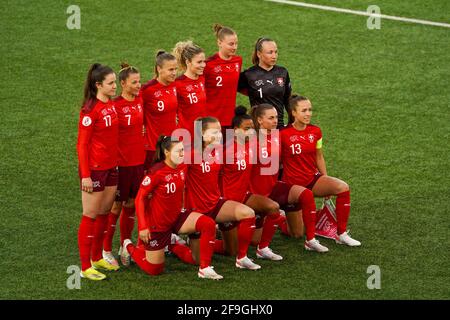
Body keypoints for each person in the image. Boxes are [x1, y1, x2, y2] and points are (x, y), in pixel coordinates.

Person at [121, 136, 223, 280]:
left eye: (183, 150)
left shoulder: (182, 165)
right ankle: (128, 246)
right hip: (158, 224)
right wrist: (143, 227)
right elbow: (139, 199)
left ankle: (204, 268)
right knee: (155, 269)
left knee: (208, 224)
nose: (182, 154)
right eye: (179, 151)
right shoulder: (156, 172)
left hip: (177, 217)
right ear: (167, 152)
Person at [281, 95, 361, 246]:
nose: (308, 114)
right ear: (293, 113)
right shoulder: (283, 134)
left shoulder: (316, 131)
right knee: (297, 233)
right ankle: (281, 220)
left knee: (342, 187)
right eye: (304, 110)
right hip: (293, 187)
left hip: (312, 180)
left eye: (310, 110)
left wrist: (325, 177)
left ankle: (341, 233)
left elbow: (319, 157)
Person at [183, 116, 261, 270]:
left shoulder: (219, 150)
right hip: (196, 210)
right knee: (196, 260)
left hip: (215, 204)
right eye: (214, 131)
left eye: (220, 131)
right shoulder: (190, 154)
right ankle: (174, 246)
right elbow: (179, 182)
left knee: (248, 214)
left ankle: (242, 258)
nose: (219, 135)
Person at [250, 103, 329, 252]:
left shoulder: (277, 136)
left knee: (300, 225)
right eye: (271, 118)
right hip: (256, 192)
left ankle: (310, 240)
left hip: (273, 187)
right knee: (254, 240)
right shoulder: (250, 140)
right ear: (260, 120)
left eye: (276, 117)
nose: (275, 121)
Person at [218, 106, 283, 260]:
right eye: (246, 129)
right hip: (225, 202)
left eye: (252, 128)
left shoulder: (251, 145)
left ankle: (263, 248)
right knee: (231, 251)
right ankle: (201, 240)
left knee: (273, 209)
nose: (251, 132)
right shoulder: (225, 150)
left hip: (244, 196)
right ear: (235, 130)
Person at [76, 63, 120, 281]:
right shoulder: (90, 111)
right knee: (90, 215)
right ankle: (85, 267)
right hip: (94, 170)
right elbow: (82, 146)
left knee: (104, 212)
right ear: (98, 85)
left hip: (111, 167)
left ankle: (97, 257)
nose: (115, 86)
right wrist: (85, 175)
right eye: (111, 83)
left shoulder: (110, 104)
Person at [101, 63, 145, 267]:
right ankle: (105, 249)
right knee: (115, 206)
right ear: (122, 84)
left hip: (138, 162)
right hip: (121, 164)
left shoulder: (140, 99)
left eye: (139, 81)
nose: (138, 85)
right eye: (134, 82)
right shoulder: (115, 105)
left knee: (131, 204)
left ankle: (124, 245)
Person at [238, 37, 292, 128]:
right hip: (259, 128)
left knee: (275, 142)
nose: (274, 56)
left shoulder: (283, 72)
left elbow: (287, 100)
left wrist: (292, 121)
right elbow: (232, 89)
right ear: (259, 54)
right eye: (270, 52)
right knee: (262, 143)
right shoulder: (249, 74)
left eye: (276, 52)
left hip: (278, 126)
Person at [141, 51, 178, 172]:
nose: (174, 73)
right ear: (159, 69)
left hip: (172, 145)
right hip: (153, 147)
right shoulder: (147, 90)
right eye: (170, 69)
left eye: (175, 69)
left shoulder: (174, 86)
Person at [204, 24, 242, 132]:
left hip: (230, 120)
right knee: (204, 149)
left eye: (236, 43)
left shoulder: (238, 61)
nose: (234, 47)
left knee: (228, 149)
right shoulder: (208, 64)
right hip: (209, 120)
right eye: (231, 44)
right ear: (219, 43)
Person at [173, 41, 207, 138]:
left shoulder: (202, 79)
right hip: (185, 134)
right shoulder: (178, 84)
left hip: (202, 133)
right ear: (188, 62)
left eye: (204, 61)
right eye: (199, 62)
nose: (203, 65)